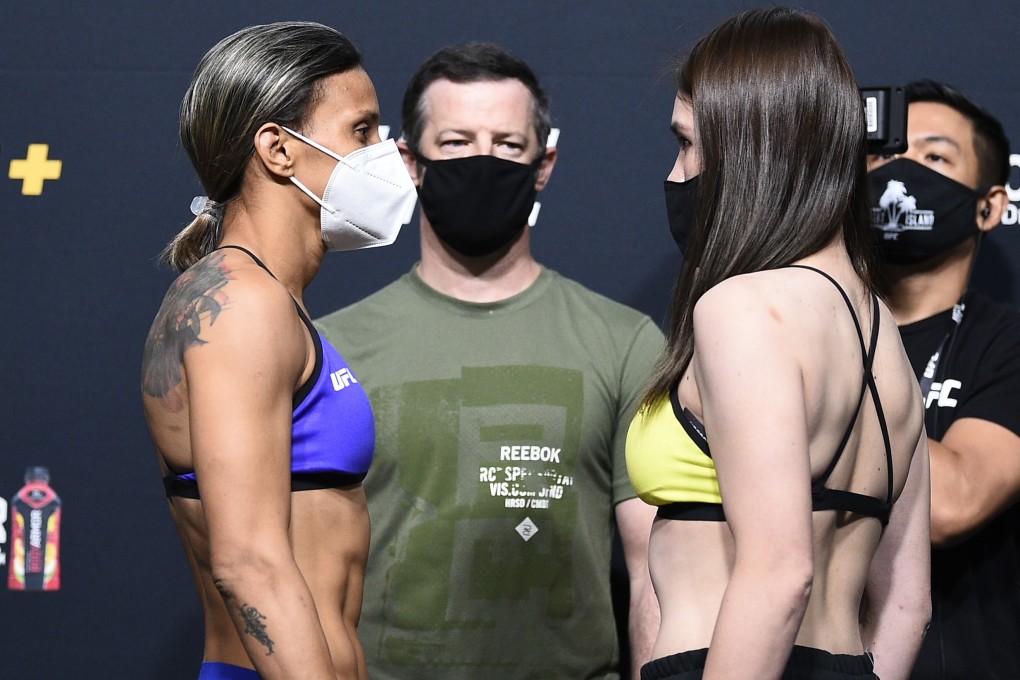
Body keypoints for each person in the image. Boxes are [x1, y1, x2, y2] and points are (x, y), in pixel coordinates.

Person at [315, 41, 663, 680]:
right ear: (409, 162)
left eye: (507, 144)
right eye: (455, 142)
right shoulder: (332, 347)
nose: (482, 160)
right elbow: (301, 571)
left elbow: (657, 570)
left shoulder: (626, 342)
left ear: (544, 163)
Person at [625, 8, 932, 680]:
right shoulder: (882, 334)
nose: (678, 174)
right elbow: (908, 604)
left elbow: (781, 574)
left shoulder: (741, 309)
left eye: (688, 144)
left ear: (748, 153)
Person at [140, 21, 416, 680]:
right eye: (362, 130)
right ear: (278, 149)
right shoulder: (242, 307)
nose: (386, 152)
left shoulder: (258, 298)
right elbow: (249, 562)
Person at [867, 80, 1020, 680]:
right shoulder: (799, 321)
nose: (901, 172)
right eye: (885, 155)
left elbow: (952, 504)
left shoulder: (1006, 343)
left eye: (934, 158)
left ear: (990, 206)